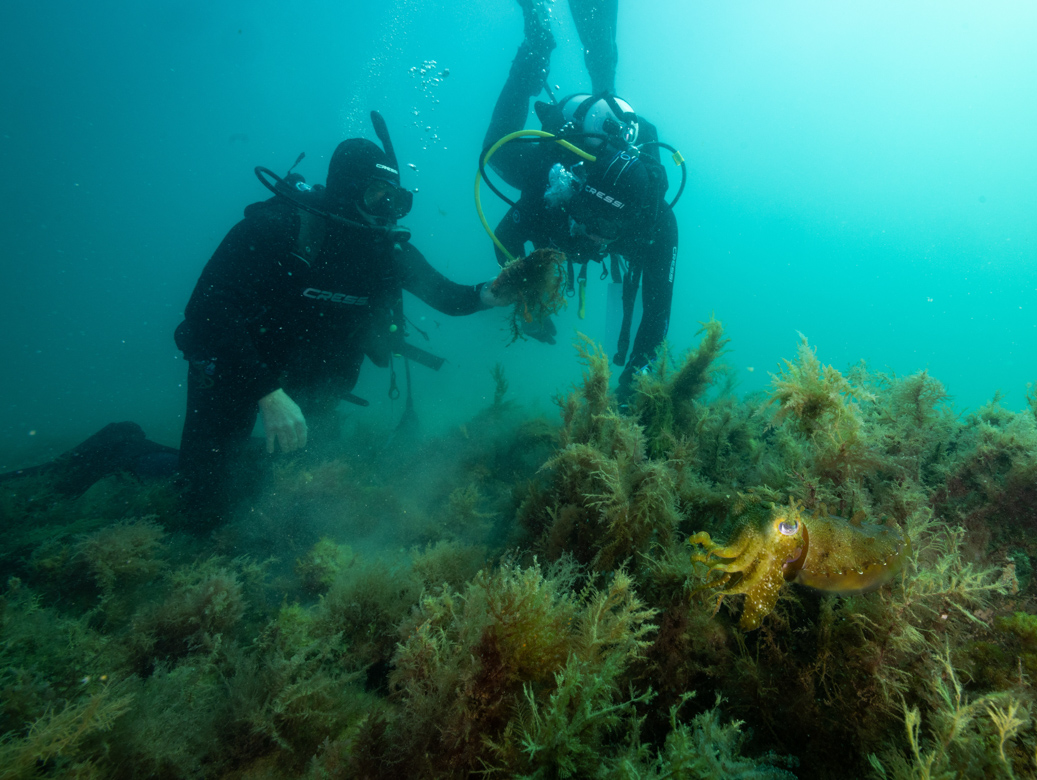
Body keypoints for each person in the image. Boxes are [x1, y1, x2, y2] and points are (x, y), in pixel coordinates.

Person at [175, 112, 507, 521]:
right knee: (200, 505)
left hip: (309, 385)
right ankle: (125, 448)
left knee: (305, 505)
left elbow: (447, 296)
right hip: (236, 369)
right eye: (376, 195)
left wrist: (492, 294)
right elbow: (207, 311)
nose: (388, 211)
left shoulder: (386, 252)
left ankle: (248, 465)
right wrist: (267, 393)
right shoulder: (278, 229)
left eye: (396, 200)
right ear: (347, 189)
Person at [483, 0, 680, 407]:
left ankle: (596, 75)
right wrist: (530, 301)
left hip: (611, 179)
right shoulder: (555, 188)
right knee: (494, 153)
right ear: (576, 196)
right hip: (564, 163)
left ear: (631, 223)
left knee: (603, 81)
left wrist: (635, 377)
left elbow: (658, 309)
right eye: (588, 217)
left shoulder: (654, 223)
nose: (590, 234)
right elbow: (504, 239)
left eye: (605, 226)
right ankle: (536, 48)